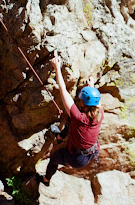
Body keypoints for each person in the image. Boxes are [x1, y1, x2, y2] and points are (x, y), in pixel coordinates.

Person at [37, 55, 104, 186]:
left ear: (84, 104)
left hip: (77, 159)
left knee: (54, 158)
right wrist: (92, 86)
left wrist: (57, 68)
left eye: (80, 101)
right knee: (70, 120)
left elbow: (63, 91)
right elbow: (96, 101)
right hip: (93, 151)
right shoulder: (100, 113)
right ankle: (61, 138)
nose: (78, 102)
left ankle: (46, 180)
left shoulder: (79, 117)